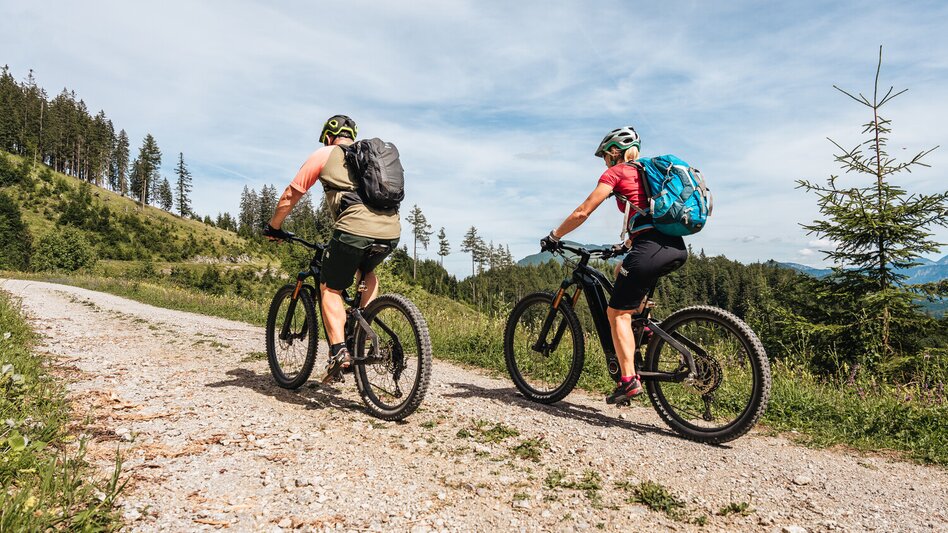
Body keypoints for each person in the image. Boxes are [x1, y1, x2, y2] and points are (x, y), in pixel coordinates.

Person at [540, 126, 688, 405]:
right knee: (623, 270)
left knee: (616, 313)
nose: (605, 163)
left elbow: (583, 211)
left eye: (605, 157)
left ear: (613, 153)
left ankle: (628, 380)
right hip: (675, 247)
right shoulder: (648, 174)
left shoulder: (617, 173)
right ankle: (642, 330)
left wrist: (554, 236)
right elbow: (649, 220)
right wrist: (625, 246)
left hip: (650, 248)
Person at [264, 114, 401, 379]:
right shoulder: (369, 159)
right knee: (367, 272)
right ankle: (362, 327)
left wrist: (274, 227)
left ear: (329, 136)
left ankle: (339, 351)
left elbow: (292, 194)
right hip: (391, 231)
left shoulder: (325, 153)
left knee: (330, 286)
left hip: (353, 229)